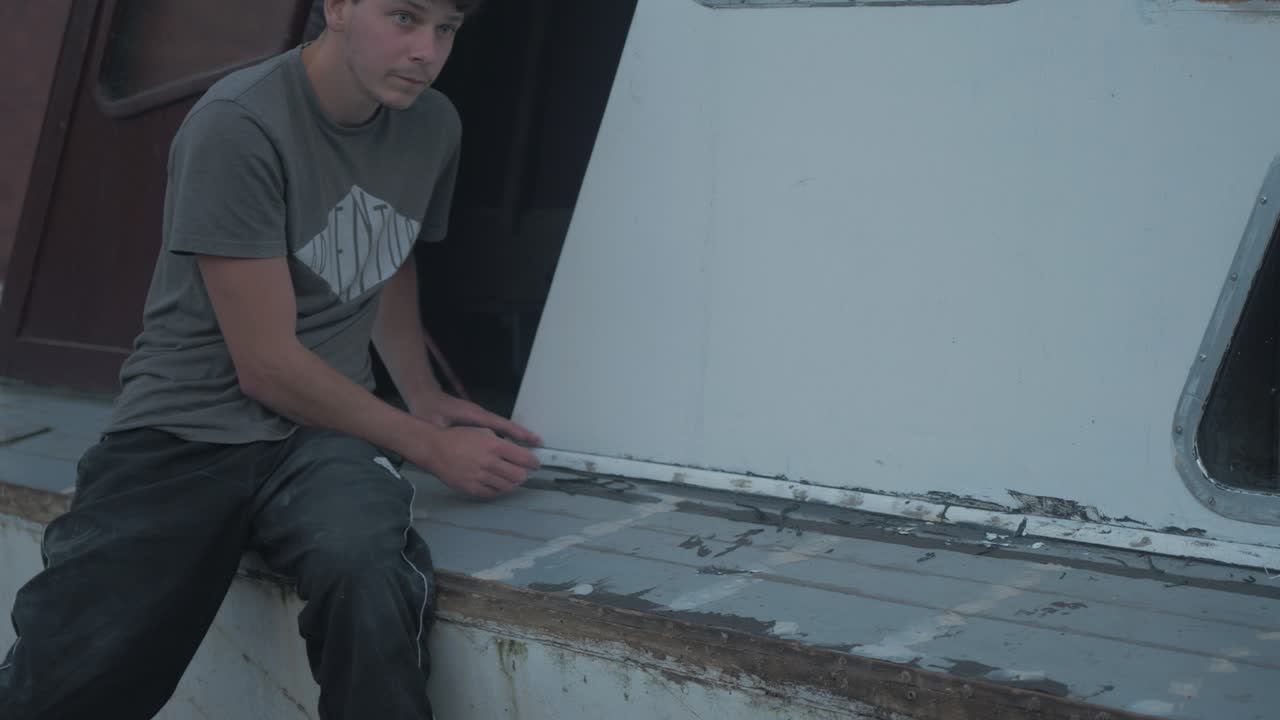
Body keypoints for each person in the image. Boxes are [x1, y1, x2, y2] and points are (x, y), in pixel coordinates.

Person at [0, 0, 541, 717]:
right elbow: (265, 364)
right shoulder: (239, 123)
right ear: (339, 6)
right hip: (183, 431)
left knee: (368, 570)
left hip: (321, 437)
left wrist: (420, 389)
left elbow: (389, 245)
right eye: (404, 18)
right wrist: (431, 446)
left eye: (446, 29)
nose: (427, 51)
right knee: (69, 673)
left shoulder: (432, 124)